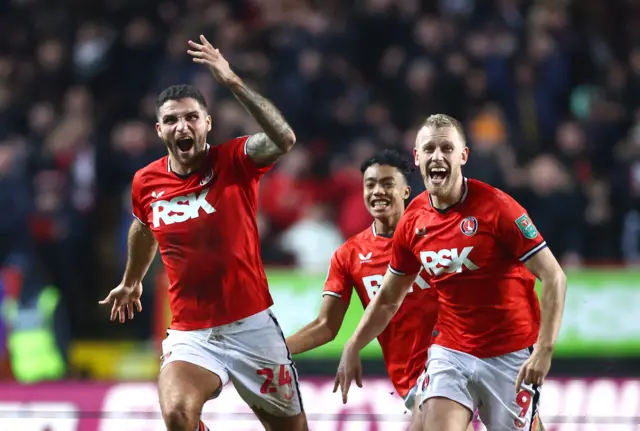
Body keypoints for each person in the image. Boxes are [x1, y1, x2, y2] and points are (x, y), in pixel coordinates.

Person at [99, 35, 308, 431]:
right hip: (191, 333)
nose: (183, 125)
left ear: (207, 123)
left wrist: (232, 82)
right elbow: (143, 228)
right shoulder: (146, 182)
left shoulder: (235, 160)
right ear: (160, 129)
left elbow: (285, 139)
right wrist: (131, 281)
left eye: (192, 117)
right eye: (173, 119)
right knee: (178, 414)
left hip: (252, 327)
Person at [335, 114, 566, 431]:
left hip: (510, 354)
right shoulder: (413, 220)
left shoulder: (498, 208)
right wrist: (353, 344)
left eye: (447, 148)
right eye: (429, 149)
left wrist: (544, 350)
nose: (437, 156)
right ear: (417, 158)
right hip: (451, 351)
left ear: (463, 156)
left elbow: (554, 277)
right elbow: (389, 297)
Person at [286, 149, 465, 430]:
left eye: (387, 184)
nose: (377, 191)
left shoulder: (437, 234)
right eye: (370, 185)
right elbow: (326, 326)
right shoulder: (349, 255)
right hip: (410, 378)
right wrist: (275, 354)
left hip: (456, 357)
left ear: (406, 191)